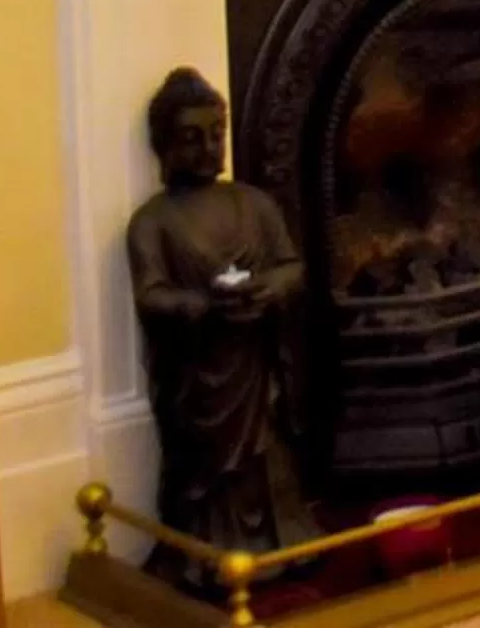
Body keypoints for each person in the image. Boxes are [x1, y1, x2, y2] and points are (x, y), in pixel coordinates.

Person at [126, 68, 312, 581]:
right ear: (164, 145)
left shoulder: (253, 203)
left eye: (216, 134)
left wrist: (269, 289)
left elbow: (292, 267)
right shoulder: (152, 221)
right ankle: (204, 556)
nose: (209, 149)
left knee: (269, 454)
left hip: (253, 364)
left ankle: (282, 538)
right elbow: (150, 294)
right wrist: (203, 305)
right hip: (202, 378)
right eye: (192, 138)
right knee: (202, 468)